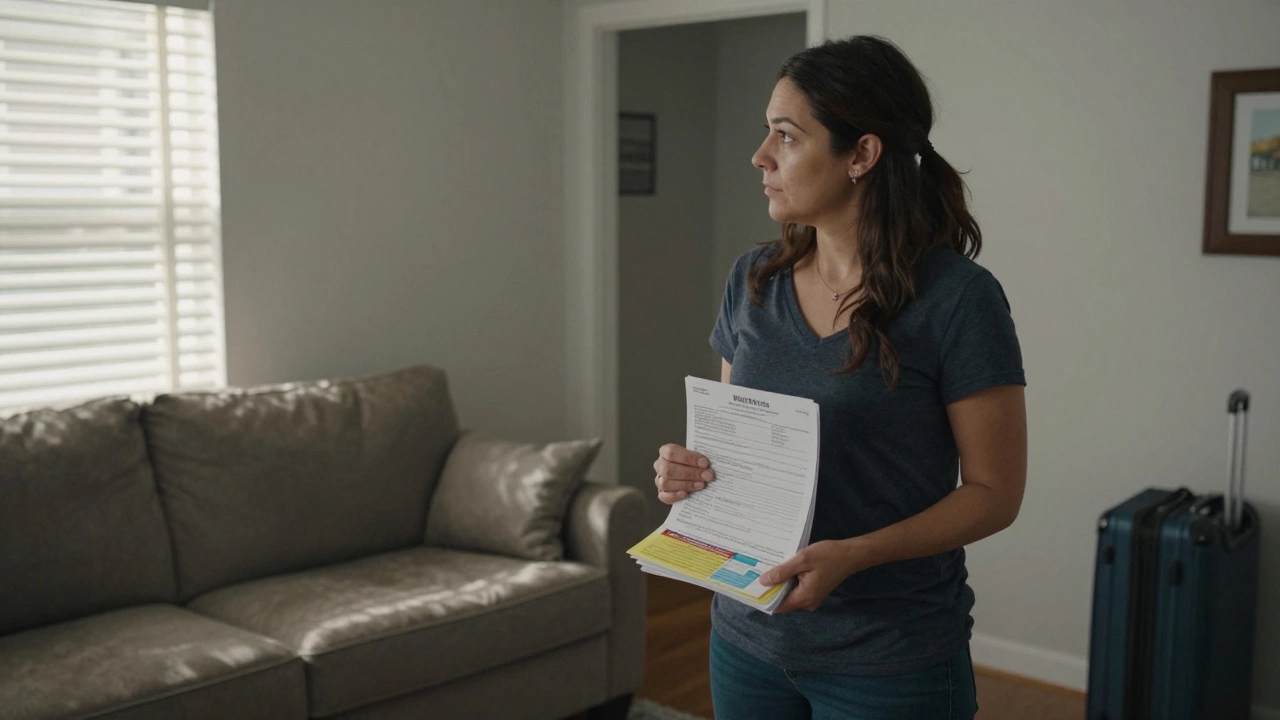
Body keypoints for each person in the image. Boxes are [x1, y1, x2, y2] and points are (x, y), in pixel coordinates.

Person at [651, 35, 1028, 720]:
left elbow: (995, 493)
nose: (761, 157)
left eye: (787, 137)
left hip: (889, 658)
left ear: (861, 154)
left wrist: (855, 554)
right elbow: (732, 449)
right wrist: (689, 471)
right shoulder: (753, 280)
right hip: (745, 640)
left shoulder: (959, 300)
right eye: (767, 133)